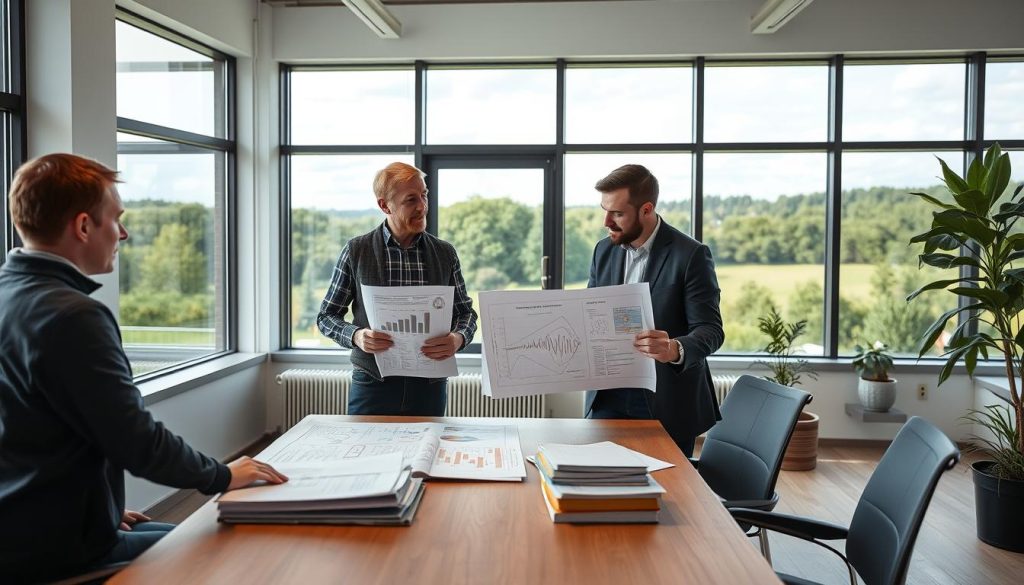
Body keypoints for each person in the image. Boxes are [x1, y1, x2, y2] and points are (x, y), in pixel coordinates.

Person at [0, 153, 287, 583]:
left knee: (176, 530)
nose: (124, 232)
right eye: (115, 219)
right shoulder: (74, 316)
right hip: (55, 551)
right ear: (82, 226)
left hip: (25, 527)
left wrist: (103, 509)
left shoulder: (10, 293)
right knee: (230, 552)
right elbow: (134, 440)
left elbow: (35, 425)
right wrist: (223, 475)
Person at [585, 164, 725, 457]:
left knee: (669, 495)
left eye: (618, 213)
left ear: (646, 209)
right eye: (604, 210)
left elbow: (711, 331)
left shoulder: (691, 255)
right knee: (600, 481)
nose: (606, 221)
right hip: (607, 395)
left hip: (667, 400)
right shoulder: (603, 250)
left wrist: (675, 348)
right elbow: (589, 313)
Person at [318, 162, 478, 416]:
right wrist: (356, 336)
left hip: (430, 385)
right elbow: (326, 317)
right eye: (411, 199)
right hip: (373, 383)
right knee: (366, 454)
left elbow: (465, 313)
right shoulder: (356, 251)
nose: (422, 206)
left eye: (424, 195)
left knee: (428, 453)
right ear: (385, 205)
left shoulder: (445, 253)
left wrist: (457, 339)